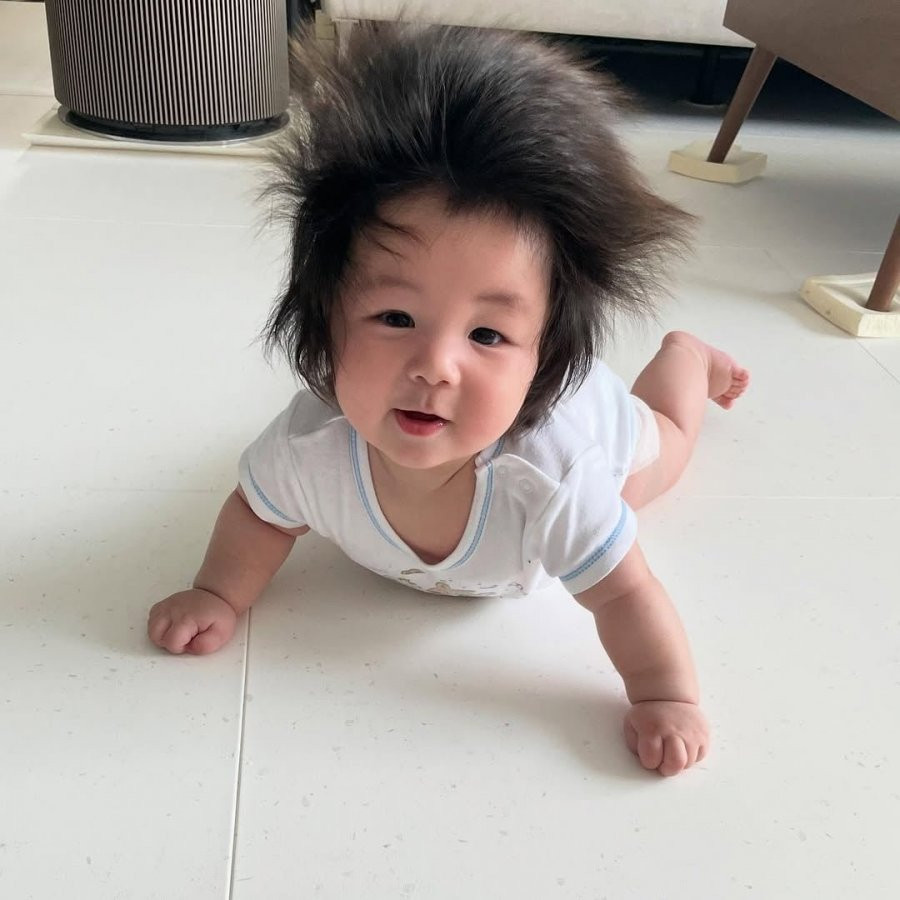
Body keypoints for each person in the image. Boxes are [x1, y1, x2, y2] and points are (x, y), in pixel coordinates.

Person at [148, 23, 749, 777]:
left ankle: (685, 358)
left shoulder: (558, 480)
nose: (435, 366)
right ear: (324, 325)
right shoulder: (307, 450)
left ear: (543, 358)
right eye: (395, 318)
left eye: (488, 334)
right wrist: (217, 593)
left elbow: (625, 594)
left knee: (670, 443)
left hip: (600, 436)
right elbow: (258, 515)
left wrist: (665, 696)